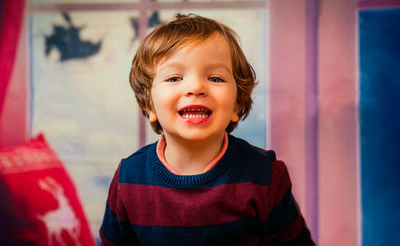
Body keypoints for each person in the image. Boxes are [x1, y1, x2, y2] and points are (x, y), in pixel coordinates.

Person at [99, 14, 315, 245]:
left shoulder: (266, 175)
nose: (195, 87)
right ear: (148, 105)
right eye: (174, 78)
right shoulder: (129, 177)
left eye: (215, 78)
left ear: (237, 103)